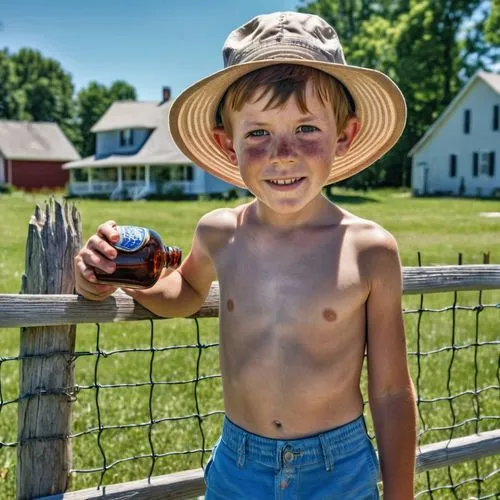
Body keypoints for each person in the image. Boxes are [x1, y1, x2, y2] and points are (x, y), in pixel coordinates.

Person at [75, 11, 417, 499]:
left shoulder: (370, 251)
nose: (282, 153)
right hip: (240, 464)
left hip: (337, 468)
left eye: (306, 129)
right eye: (257, 133)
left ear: (344, 136)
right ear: (225, 142)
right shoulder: (220, 232)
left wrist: (400, 494)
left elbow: (389, 391)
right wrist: (119, 273)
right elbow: (186, 291)